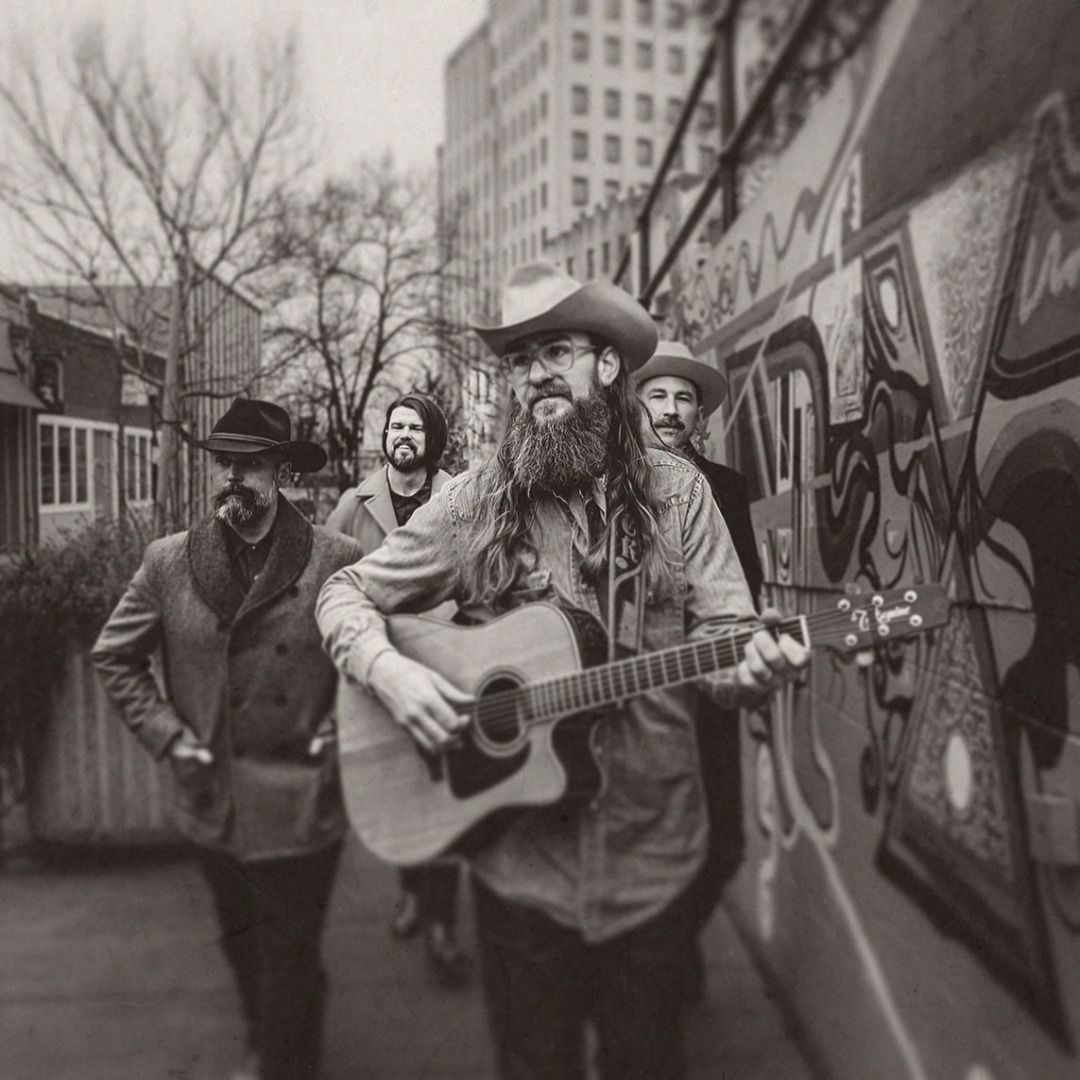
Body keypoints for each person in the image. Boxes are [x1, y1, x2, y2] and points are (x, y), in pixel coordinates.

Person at [316, 262, 809, 1080]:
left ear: (608, 365)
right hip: (521, 875)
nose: (532, 374)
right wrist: (389, 675)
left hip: (652, 863)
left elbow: (726, 636)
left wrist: (752, 668)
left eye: (555, 351)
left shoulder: (680, 494)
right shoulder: (478, 498)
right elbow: (345, 591)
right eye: (516, 360)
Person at [92, 399, 363, 1080]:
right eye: (223, 463)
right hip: (212, 796)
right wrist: (167, 736)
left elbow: (374, 659)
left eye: (251, 464)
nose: (233, 478)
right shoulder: (169, 563)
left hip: (302, 797)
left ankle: (283, 1062)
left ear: (281, 474)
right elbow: (114, 657)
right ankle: (269, 1039)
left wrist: (343, 724)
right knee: (247, 945)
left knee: (291, 951)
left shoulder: (339, 560)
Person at [634, 339, 765, 1002]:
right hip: (633, 701)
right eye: (657, 394)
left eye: (684, 397)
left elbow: (747, 593)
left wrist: (745, 659)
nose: (671, 408)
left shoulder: (728, 488)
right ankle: (652, 968)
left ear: (699, 414)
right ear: (634, 404)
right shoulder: (616, 483)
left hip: (708, 693)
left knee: (724, 847)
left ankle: (671, 944)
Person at [325, 392, 469, 987]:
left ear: (431, 441)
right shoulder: (353, 502)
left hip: (450, 656)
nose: (402, 436)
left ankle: (442, 920)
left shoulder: (459, 497)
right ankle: (412, 890)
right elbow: (329, 575)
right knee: (401, 784)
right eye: (395, 427)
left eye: (414, 428)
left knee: (449, 787)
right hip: (381, 661)